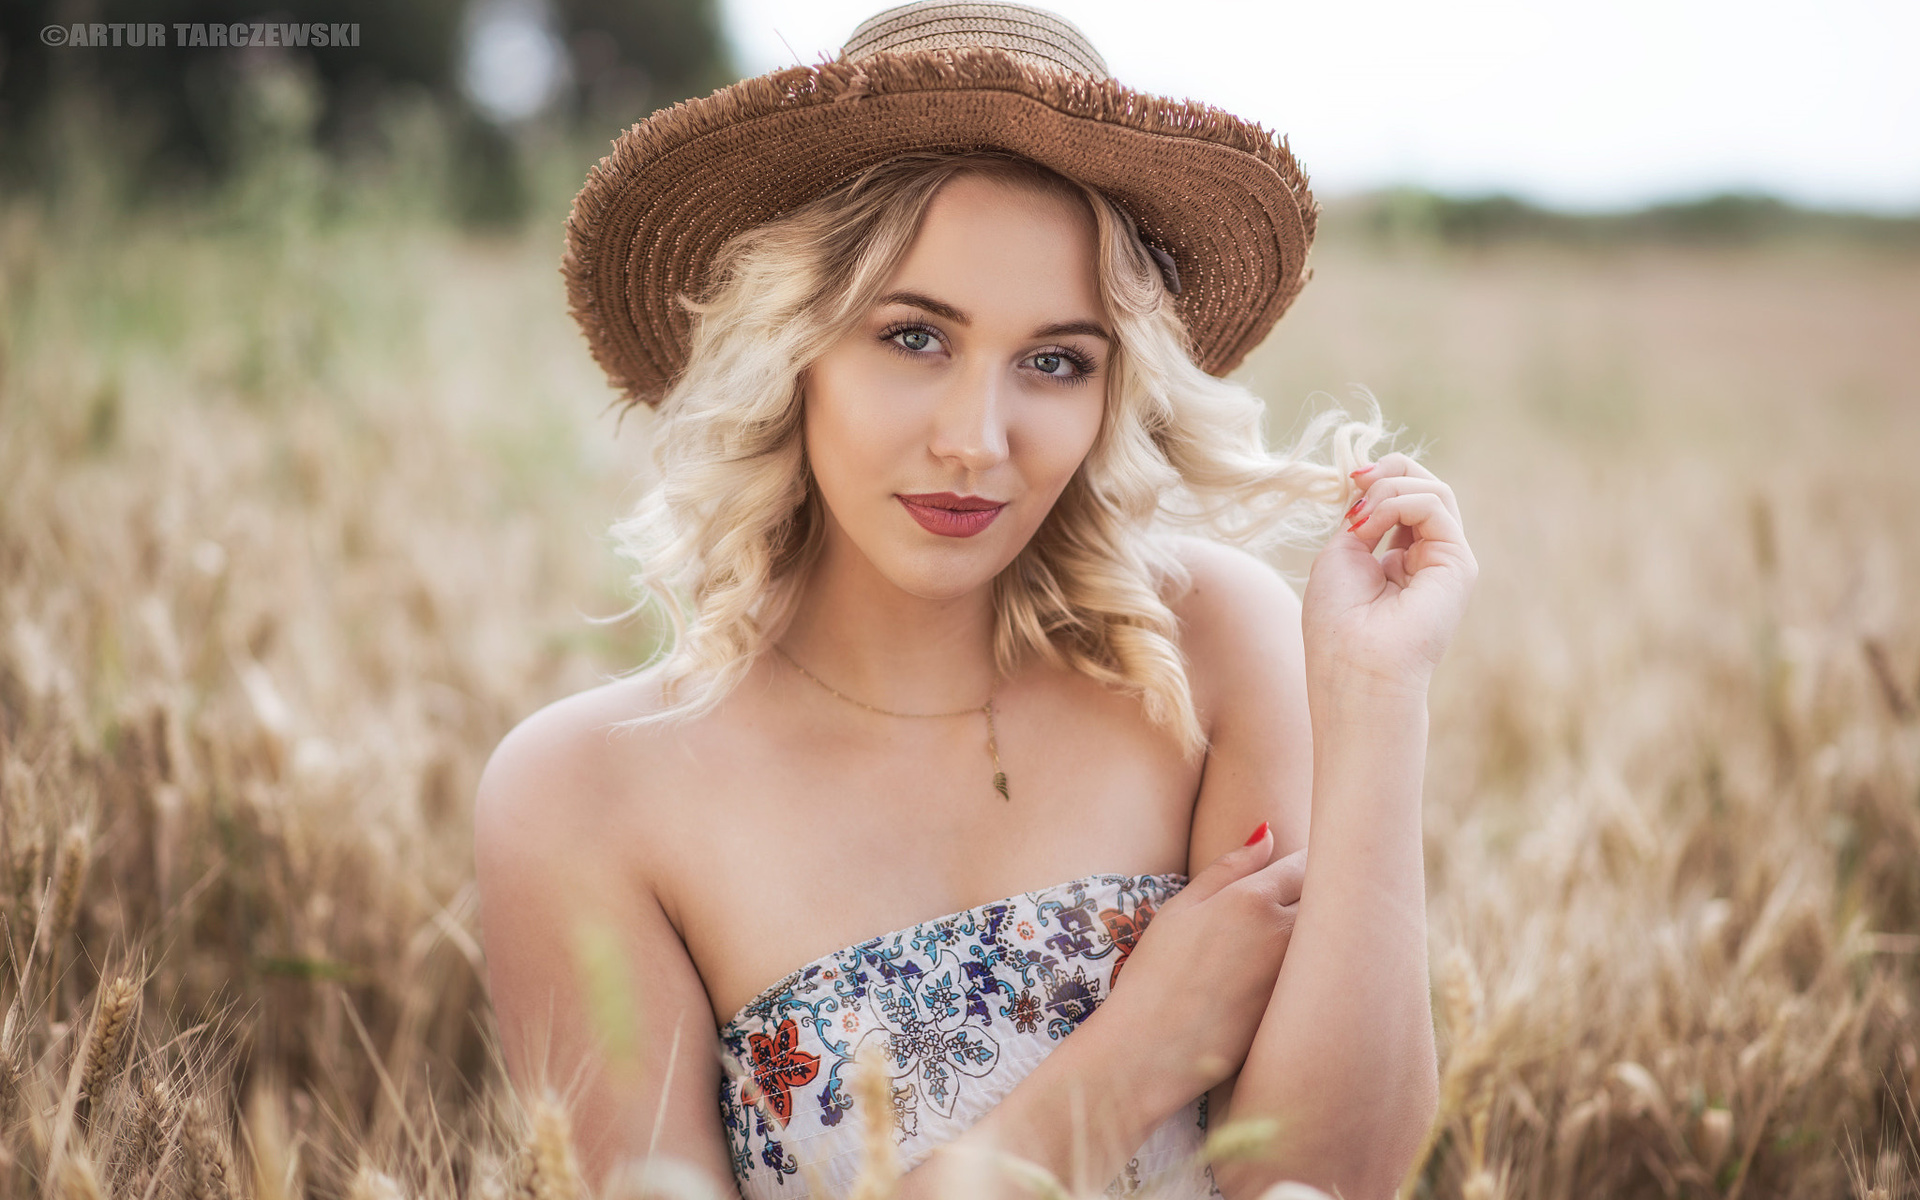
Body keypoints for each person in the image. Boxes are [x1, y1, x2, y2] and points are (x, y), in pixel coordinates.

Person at [472, 4, 1477, 1199]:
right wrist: (1137, 1057)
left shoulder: (1207, 649)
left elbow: (1335, 1181)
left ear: (1116, 391)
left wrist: (1376, 701)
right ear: (791, 348)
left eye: (1056, 360)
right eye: (912, 337)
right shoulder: (586, 795)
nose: (977, 440)